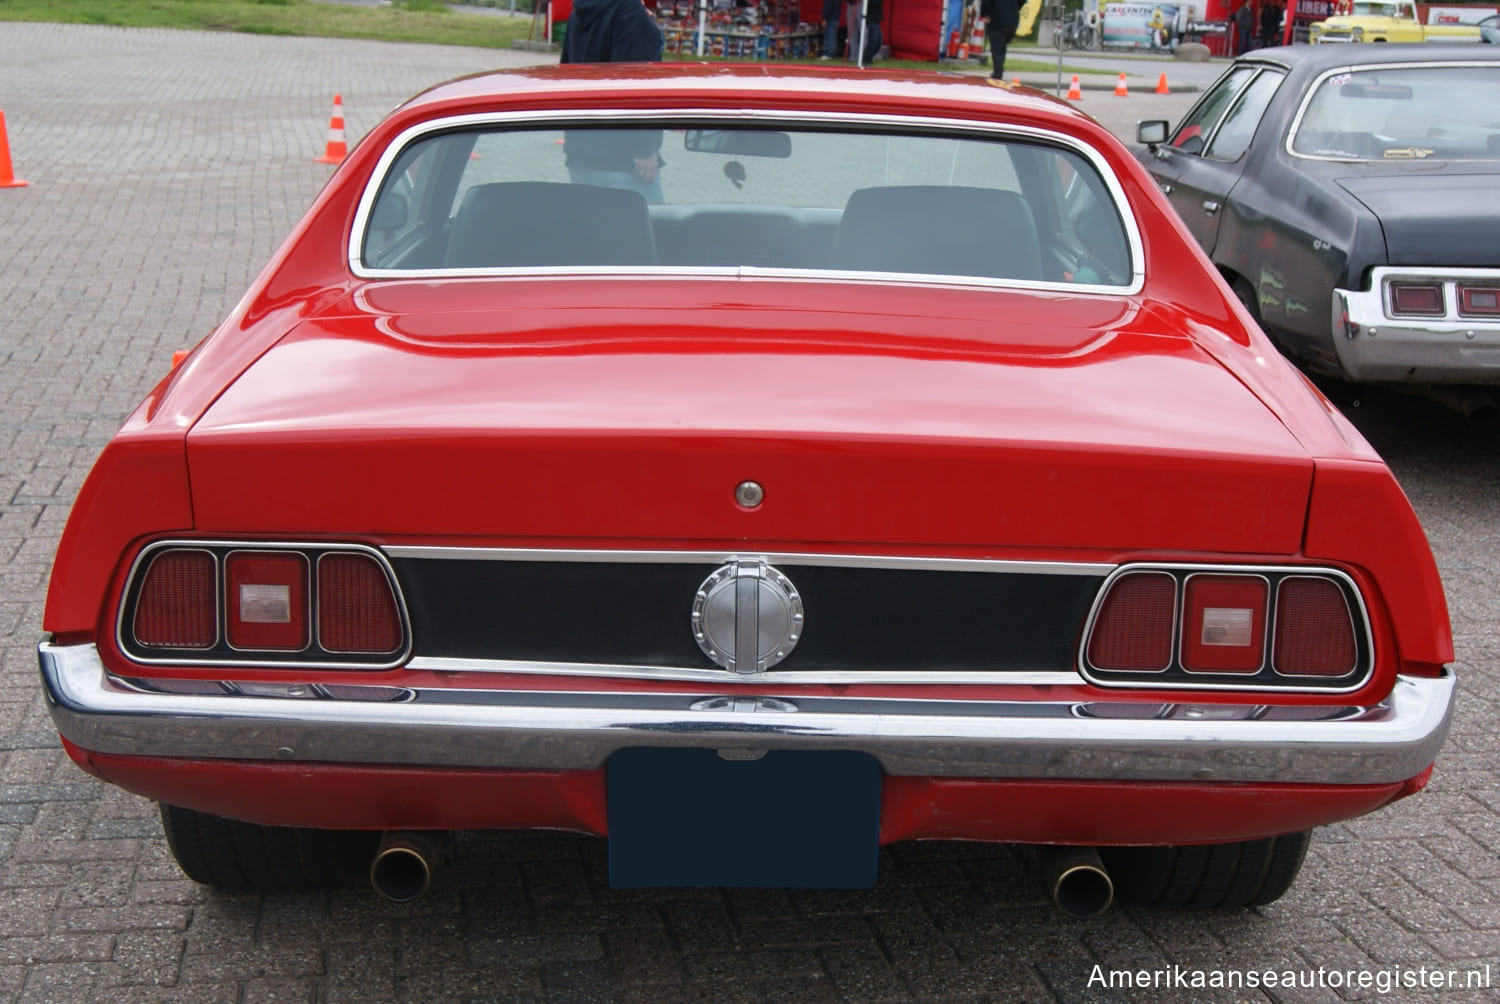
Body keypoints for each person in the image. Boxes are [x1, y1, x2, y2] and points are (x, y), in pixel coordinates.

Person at [559, 0, 666, 202]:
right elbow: (633, 86)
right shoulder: (629, 13)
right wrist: (645, 147)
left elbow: (565, 76)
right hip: (626, 158)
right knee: (647, 230)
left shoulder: (581, 10)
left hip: (581, 152)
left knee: (595, 230)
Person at [979, 0, 1020, 79]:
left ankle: (997, 73)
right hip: (1012, 21)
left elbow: (985, 2)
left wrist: (984, 14)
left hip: (996, 20)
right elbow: (1022, 1)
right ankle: (999, 69)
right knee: (1002, 45)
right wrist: (1013, 9)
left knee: (997, 48)